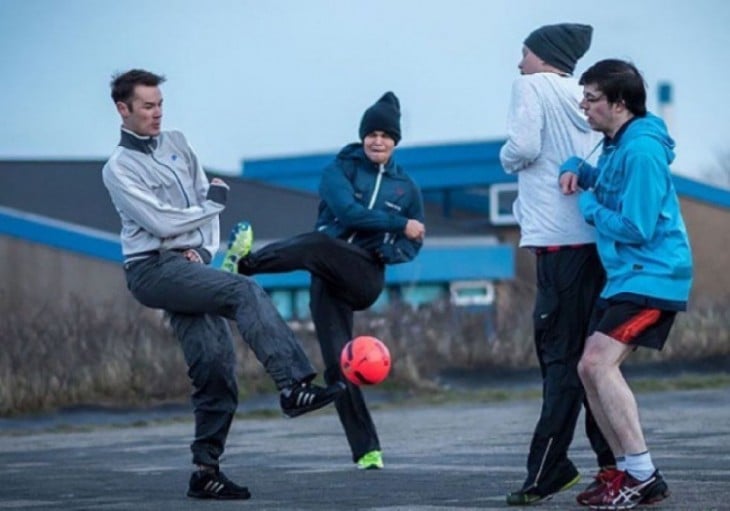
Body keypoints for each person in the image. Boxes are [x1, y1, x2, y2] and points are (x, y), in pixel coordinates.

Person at [101, 69, 345, 501]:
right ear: (123, 110)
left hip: (190, 265)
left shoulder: (176, 142)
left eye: (160, 105)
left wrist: (205, 249)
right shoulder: (119, 169)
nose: (157, 114)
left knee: (215, 367)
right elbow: (160, 218)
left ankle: (205, 471)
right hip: (151, 269)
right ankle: (293, 386)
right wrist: (207, 208)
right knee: (244, 291)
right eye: (147, 107)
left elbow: (205, 204)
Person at [223, 91, 426, 470]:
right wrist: (399, 225)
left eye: (385, 135)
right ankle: (367, 450)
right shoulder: (340, 170)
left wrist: (391, 250)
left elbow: (414, 242)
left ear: (395, 141)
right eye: (372, 134)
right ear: (362, 136)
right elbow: (348, 214)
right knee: (339, 366)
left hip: (364, 274)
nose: (377, 141)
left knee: (317, 244)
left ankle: (244, 265)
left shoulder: (407, 188)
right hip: (327, 277)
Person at [559, 58, 693, 509]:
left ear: (618, 103)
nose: (584, 106)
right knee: (587, 368)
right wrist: (579, 165)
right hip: (627, 277)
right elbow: (612, 184)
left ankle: (643, 473)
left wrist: (590, 208)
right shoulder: (616, 147)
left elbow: (636, 226)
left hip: (654, 275)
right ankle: (624, 471)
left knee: (597, 364)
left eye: (592, 98)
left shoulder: (641, 151)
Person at [499, 23, 615, 506]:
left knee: (559, 359)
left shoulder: (530, 86)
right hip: (595, 245)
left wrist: (504, 159)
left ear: (544, 57)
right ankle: (617, 465)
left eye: (523, 53)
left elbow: (523, 148)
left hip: (558, 249)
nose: (518, 62)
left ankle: (549, 469)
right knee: (593, 365)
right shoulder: (584, 96)